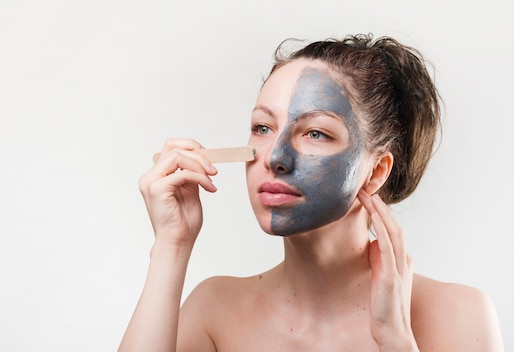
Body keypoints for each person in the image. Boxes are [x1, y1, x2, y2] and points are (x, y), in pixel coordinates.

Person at [118, 34, 504, 351]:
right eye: (263, 128)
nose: (276, 157)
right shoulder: (215, 309)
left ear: (376, 172)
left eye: (315, 133)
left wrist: (396, 340)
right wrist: (172, 246)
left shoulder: (459, 317)